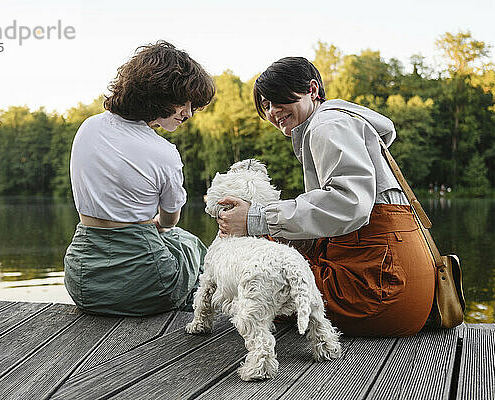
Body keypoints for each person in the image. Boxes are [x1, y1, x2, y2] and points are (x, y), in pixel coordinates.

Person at [217, 57, 435, 336]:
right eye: (267, 105)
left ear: (312, 88)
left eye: (278, 99)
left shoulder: (326, 124)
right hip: (403, 292)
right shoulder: (337, 122)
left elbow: (350, 202)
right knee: (268, 245)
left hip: (379, 292)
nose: (273, 111)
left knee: (259, 268)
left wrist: (256, 218)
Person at [64, 41, 215, 317]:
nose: (189, 113)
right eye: (185, 103)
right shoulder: (164, 152)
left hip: (82, 281)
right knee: (190, 245)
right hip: (148, 284)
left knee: (178, 245)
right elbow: (170, 221)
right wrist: (153, 225)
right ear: (160, 95)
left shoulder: (88, 127)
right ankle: (199, 311)